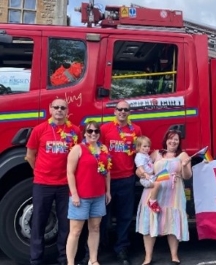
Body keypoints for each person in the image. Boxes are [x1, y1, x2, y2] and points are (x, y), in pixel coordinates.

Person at [25, 98, 81, 265]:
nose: (59, 110)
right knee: (38, 223)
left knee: (66, 225)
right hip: (43, 184)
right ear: (50, 109)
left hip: (65, 185)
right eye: (56, 107)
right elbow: (30, 155)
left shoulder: (75, 131)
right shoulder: (40, 129)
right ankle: (36, 260)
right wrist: (40, 172)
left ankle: (64, 259)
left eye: (62, 107)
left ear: (67, 110)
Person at [136, 130, 192, 265]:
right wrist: (143, 174)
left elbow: (187, 176)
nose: (173, 142)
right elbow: (139, 168)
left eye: (176, 139)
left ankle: (174, 255)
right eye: (170, 139)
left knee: (172, 223)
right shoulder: (156, 153)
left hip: (174, 194)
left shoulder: (183, 155)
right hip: (154, 193)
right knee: (150, 222)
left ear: (179, 142)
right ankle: (148, 257)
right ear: (166, 140)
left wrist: (184, 167)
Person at [99, 101, 142, 265]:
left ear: (129, 112)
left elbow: (139, 153)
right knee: (102, 216)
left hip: (127, 179)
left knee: (124, 217)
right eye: (120, 109)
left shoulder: (136, 130)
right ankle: (98, 249)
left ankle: (121, 249)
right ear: (115, 112)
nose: (122, 112)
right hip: (107, 180)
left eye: (126, 110)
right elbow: (98, 151)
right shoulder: (104, 129)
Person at [66, 121, 112, 265]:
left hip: (98, 196)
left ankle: (93, 260)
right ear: (84, 133)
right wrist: (74, 194)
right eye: (90, 131)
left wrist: (107, 191)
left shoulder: (103, 148)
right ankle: (70, 262)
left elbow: (107, 172)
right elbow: (70, 172)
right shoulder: (78, 149)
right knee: (75, 231)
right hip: (81, 197)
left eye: (96, 131)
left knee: (95, 228)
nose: (93, 134)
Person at [134, 136, 162, 213]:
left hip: (150, 176)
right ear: (139, 147)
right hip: (145, 179)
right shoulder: (139, 156)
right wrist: (145, 174)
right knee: (157, 184)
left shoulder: (145, 155)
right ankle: (152, 202)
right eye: (145, 146)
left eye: (148, 146)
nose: (147, 148)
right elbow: (140, 166)